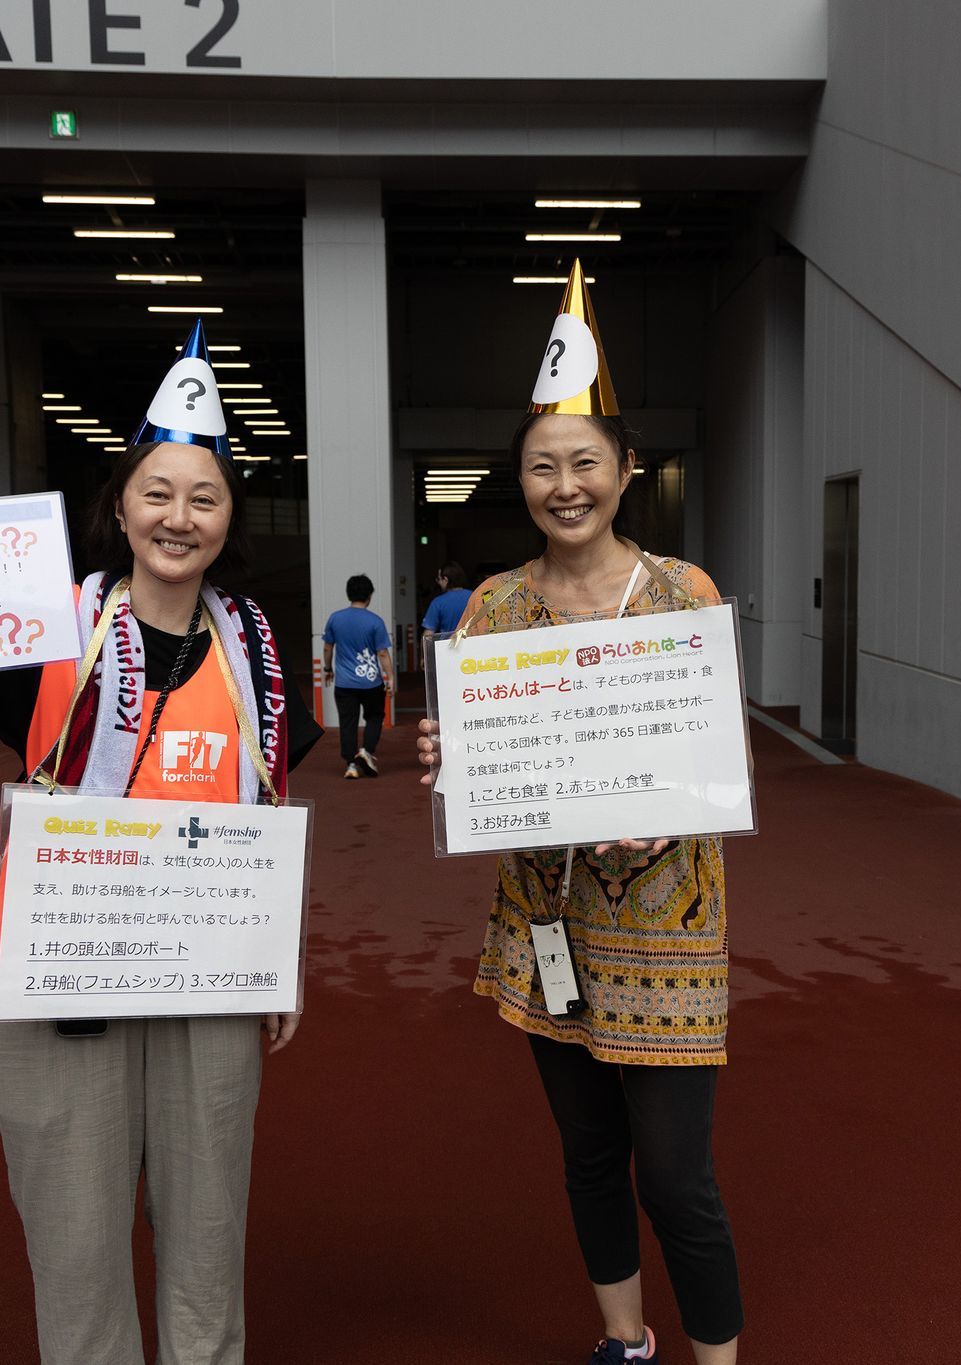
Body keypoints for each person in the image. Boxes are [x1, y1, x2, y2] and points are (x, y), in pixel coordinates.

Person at [0, 320, 321, 1365]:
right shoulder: (41, 625)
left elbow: (269, 811)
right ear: (121, 504)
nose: (178, 517)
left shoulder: (258, 649)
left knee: (207, 1239)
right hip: (63, 969)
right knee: (75, 1241)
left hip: (207, 975)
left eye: (204, 498)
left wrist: (277, 961)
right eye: (158, 493)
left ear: (230, 518)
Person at [415, 261, 743, 1365]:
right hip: (545, 918)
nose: (565, 486)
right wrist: (451, 762)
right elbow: (481, 771)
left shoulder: (684, 594)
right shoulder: (493, 608)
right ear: (519, 478)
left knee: (678, 1178)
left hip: (667, 927)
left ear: (625, 468)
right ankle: (625, 1339)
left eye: (584, 463)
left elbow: (720, 757)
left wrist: (671, 806)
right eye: (542, 466)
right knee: (589, 1155)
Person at [321, 574, 392, 779]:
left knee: (348, 722)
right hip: (371, 683)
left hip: (344, 684)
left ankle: (351, 765)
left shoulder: (335, 618)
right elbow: (382, 653)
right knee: (375, 717)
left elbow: (327, 648)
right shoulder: (375, 621)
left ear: (348, 594)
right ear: (369, 596)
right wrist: (390, 677)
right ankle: (366, 751)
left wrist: (328, 669)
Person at [418, 562, 472, 648]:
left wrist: (423, 654)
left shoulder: (438, 602)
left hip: (448, 649)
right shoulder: (474, 596)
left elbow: (428, 635)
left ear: (446, 580)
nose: (438, 582)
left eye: (438, 579)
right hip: (472, 647)